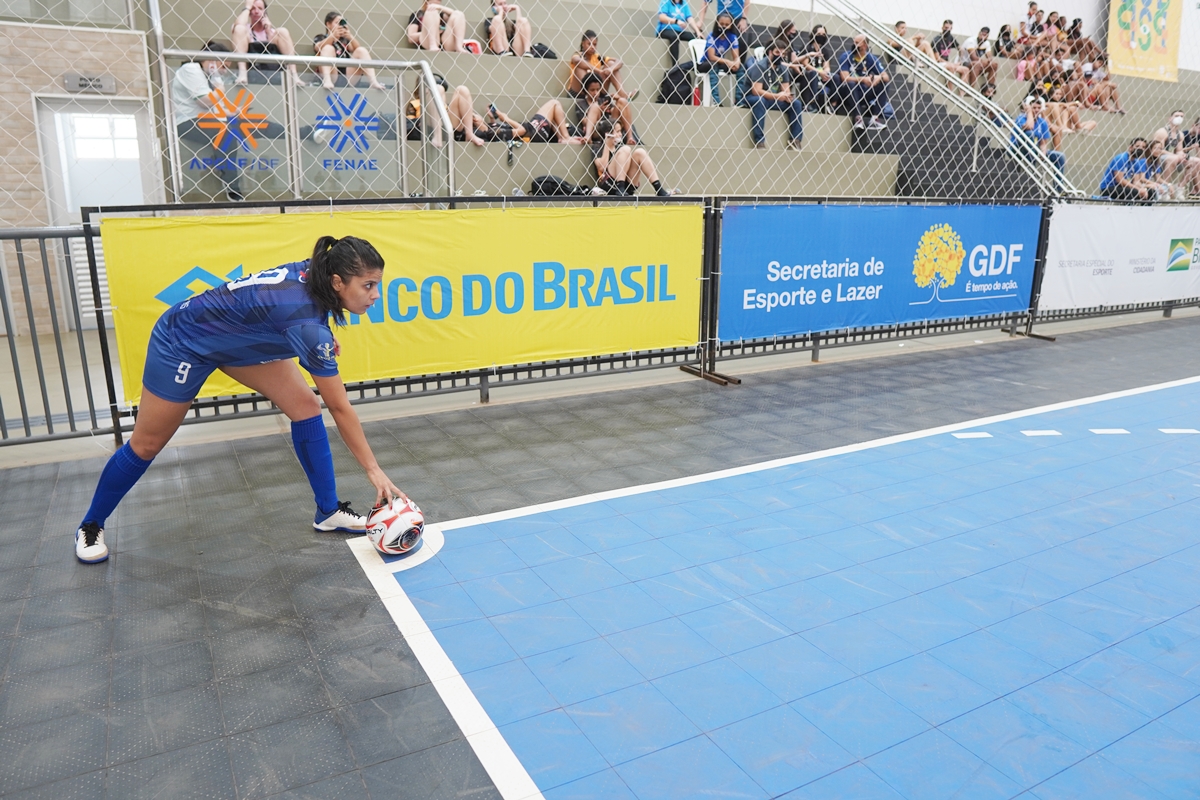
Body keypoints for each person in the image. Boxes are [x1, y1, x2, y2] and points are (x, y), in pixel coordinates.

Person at [73, 237, 407, 564]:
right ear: (337, 281)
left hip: (236, 338)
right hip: (184, 340)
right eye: (368, 286)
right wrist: (373, 470)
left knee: (305, 407)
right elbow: (339, 407)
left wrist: (322, 334)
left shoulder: (317, 273)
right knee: (146, 444)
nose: (375, 295)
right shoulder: (306, 324)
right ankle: (90, 525)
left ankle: (328, 511)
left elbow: (281, 309)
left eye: (377, 284)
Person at [173, 41, 289, 202]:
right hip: (188, 122)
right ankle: (232, 185)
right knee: (225, 131)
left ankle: (304, 132)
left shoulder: (209, 76)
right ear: (212, 61)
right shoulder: (191, 69)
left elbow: (217, 109)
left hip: (211, 120)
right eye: (223, 66)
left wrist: (235, 112)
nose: (225, 71)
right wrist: (220, 87)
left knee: (255, 123)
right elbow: (205, 101)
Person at [591, 119, 674, 196]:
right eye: (618, 131)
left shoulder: (619, 147)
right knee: (626, 149)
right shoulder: (598, 147)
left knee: (640, 152)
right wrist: (607, 145)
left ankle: (658, 187)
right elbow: (602, 167)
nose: (620, 134)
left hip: (627, 185)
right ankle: (620, 186)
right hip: (609, 184)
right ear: (608, 133)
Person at [746, 39, 802, 149]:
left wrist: (787, 96)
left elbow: (786, 89)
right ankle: (759, 141)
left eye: (783, 53)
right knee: (759, 101)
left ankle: (795, 140)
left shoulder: (783, 68)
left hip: (772, 99)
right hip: (753, 97)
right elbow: (756, 91)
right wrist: (777, 96)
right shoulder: (760, 66)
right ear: (770, 52)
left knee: (796, 104)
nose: (780, 55)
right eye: (777, 52)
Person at [312, 12, 385, 90]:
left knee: (361, 50)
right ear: (328, 24)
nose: (340, 26)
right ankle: (327, 80)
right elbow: (317, 47)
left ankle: (373, 81)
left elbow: (357, 49)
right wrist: (332, 37)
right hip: (332, 74)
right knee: (328, 48)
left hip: (348, 77)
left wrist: (349, 36)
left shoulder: (344, 40)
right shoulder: (321, 37)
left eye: (341, 23)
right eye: (337, 23)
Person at [232, 0, 298, 85]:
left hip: (273, 69)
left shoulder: (274, 33)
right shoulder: (245, 30)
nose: (256, 11)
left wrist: (269, 32)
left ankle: (294, 75)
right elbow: (238, 25)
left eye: (260, 8)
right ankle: (242, 74)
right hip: (251, 68)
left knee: (283, 31)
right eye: (253, 8)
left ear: (265, 12)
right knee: (239, 29)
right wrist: (247, 7)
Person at [837, 33, 891, 130]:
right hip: (847, 93)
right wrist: (863, 79)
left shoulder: (870, 58)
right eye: (854, 41)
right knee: (850, 83)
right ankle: (858, 119)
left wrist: (879, 77)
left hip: (863, 92)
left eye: (857, 43)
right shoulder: (846, 56)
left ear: (865, 46)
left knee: (885, 84)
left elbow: (886, 76)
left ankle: (874, 119)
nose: (854, 44)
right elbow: (844, 78)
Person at [570, 31, 632, 101]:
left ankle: (623, 94)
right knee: (579, 67)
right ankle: (588, 94)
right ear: (583, 44)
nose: (592, 47)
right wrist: (598, 71)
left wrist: (610, 69)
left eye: (594, 44)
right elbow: (576, 60)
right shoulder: (578, 54)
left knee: (611, 63)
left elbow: (619, 62)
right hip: (579, 92)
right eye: (589, 44)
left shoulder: (598, 57)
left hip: (596, 92)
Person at [488, 100, 586, 143]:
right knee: (554, 103)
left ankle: (562, 137)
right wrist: (505, 118)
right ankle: (566, 137)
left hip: (534, 131)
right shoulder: (490, 133)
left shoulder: (489, 129)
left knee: (552, 114)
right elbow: (522, 130)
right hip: (533, 131)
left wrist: (492, 119)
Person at [1011, 95, 1065, 172]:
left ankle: (1058, 184)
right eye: (1034, 108)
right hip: (1018, 148)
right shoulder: (1021, 118)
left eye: (1039, 108)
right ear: (1029, 108)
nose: (1037, 110)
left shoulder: (1042, 122)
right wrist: (1029, 112)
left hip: (1035, 150)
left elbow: (1043, 143)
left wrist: (1043, 154)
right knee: (1030, 133)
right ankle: (1031, 169)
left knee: (1060, 156)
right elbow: (1030, 126)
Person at [699, 12, 740, 105]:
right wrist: (728, 61)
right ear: (717, 23)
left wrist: (737, 63)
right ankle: (716, 100)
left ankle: (739, 100)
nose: (724, 27)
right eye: (721, 24)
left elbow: (736, 56)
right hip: (707, 63)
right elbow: (712, 57)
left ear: (731, 25)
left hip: (720, 62)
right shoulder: (711, 36)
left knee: (741, 69)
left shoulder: (732, 37)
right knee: (714, 65)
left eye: (727, 25)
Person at [1043, 83, 1095, 148]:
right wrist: (1071, 103)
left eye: (1060, 94)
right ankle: (1064, 127)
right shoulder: (1047, 102)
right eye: (1056, 94)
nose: (1058, 96)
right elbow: (1051, 104)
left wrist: (1074, 103)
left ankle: (1081, 129)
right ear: (1051, 95)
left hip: (1070, 125)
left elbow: (1066, 105)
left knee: (1093, 122)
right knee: (1063, 107)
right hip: (1054, 124)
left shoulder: (1063, 103)